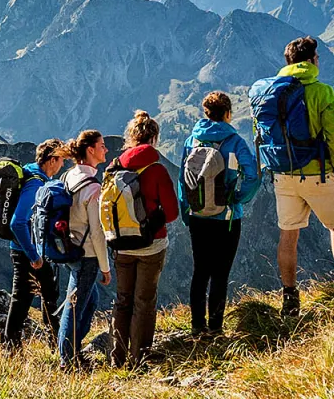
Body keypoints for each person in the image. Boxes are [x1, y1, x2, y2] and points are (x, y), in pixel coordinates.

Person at [267, 36, 334, 316]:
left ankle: (290, 297)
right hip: (318, 172)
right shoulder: (322, 91)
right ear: (313, 60)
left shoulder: (271, 91)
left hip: (283, 172)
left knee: (288, 235)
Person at [178, 92, 260, 335]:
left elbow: (184, 181)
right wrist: (237, 198)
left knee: (200, 271)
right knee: (220, 273)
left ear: (206, 113)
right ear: (227, 113)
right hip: (227, 218)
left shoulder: (192, 140)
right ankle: (215, 328)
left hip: (197, 216)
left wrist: (187, 212)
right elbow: (253, 175)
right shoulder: (235, 141)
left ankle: (196, 327)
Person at [109, 111, 179, 368]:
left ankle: (117, 357)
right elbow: (171, 213)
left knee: (123, 300)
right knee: (144, 302)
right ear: (154, 138)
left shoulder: (115, 166)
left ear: (132, 137)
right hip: (151, 245)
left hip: (120, 245)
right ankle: (140, 357)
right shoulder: (157, 170)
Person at [3, 139, 69, 347]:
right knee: (30, 299)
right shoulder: (35, 184)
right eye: (61, 160)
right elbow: (17, 222)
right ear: (51, 160)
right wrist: (34, 255)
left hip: (28, 250)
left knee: (37, 296)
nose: (62, 165)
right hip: (28, 253)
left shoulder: (31, 174)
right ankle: (16, 347)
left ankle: (46, 344)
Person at [56, 129, 111, 369]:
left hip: (69, 247)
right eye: (101, 145)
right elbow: (98, 232)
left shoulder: (69, 176)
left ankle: (72, 350)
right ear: (90, 150)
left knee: (88, 301)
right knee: (75, 306)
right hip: (87, 254)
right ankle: (68, 360)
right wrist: (105, 267)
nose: (105, 149)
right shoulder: (93, 187)